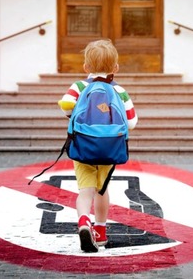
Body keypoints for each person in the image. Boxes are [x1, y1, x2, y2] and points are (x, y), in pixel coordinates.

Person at [58, 39, 138, 253]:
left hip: (83, 147)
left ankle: (84, 221)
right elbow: (131, 122)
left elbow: (65, 105)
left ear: (86, 67)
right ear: (116, 68)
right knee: (102, 191)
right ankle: (101, 233)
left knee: (85, 191)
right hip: (109, 149)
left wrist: (73, 116)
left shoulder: (79, 86)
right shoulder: (119, 90)